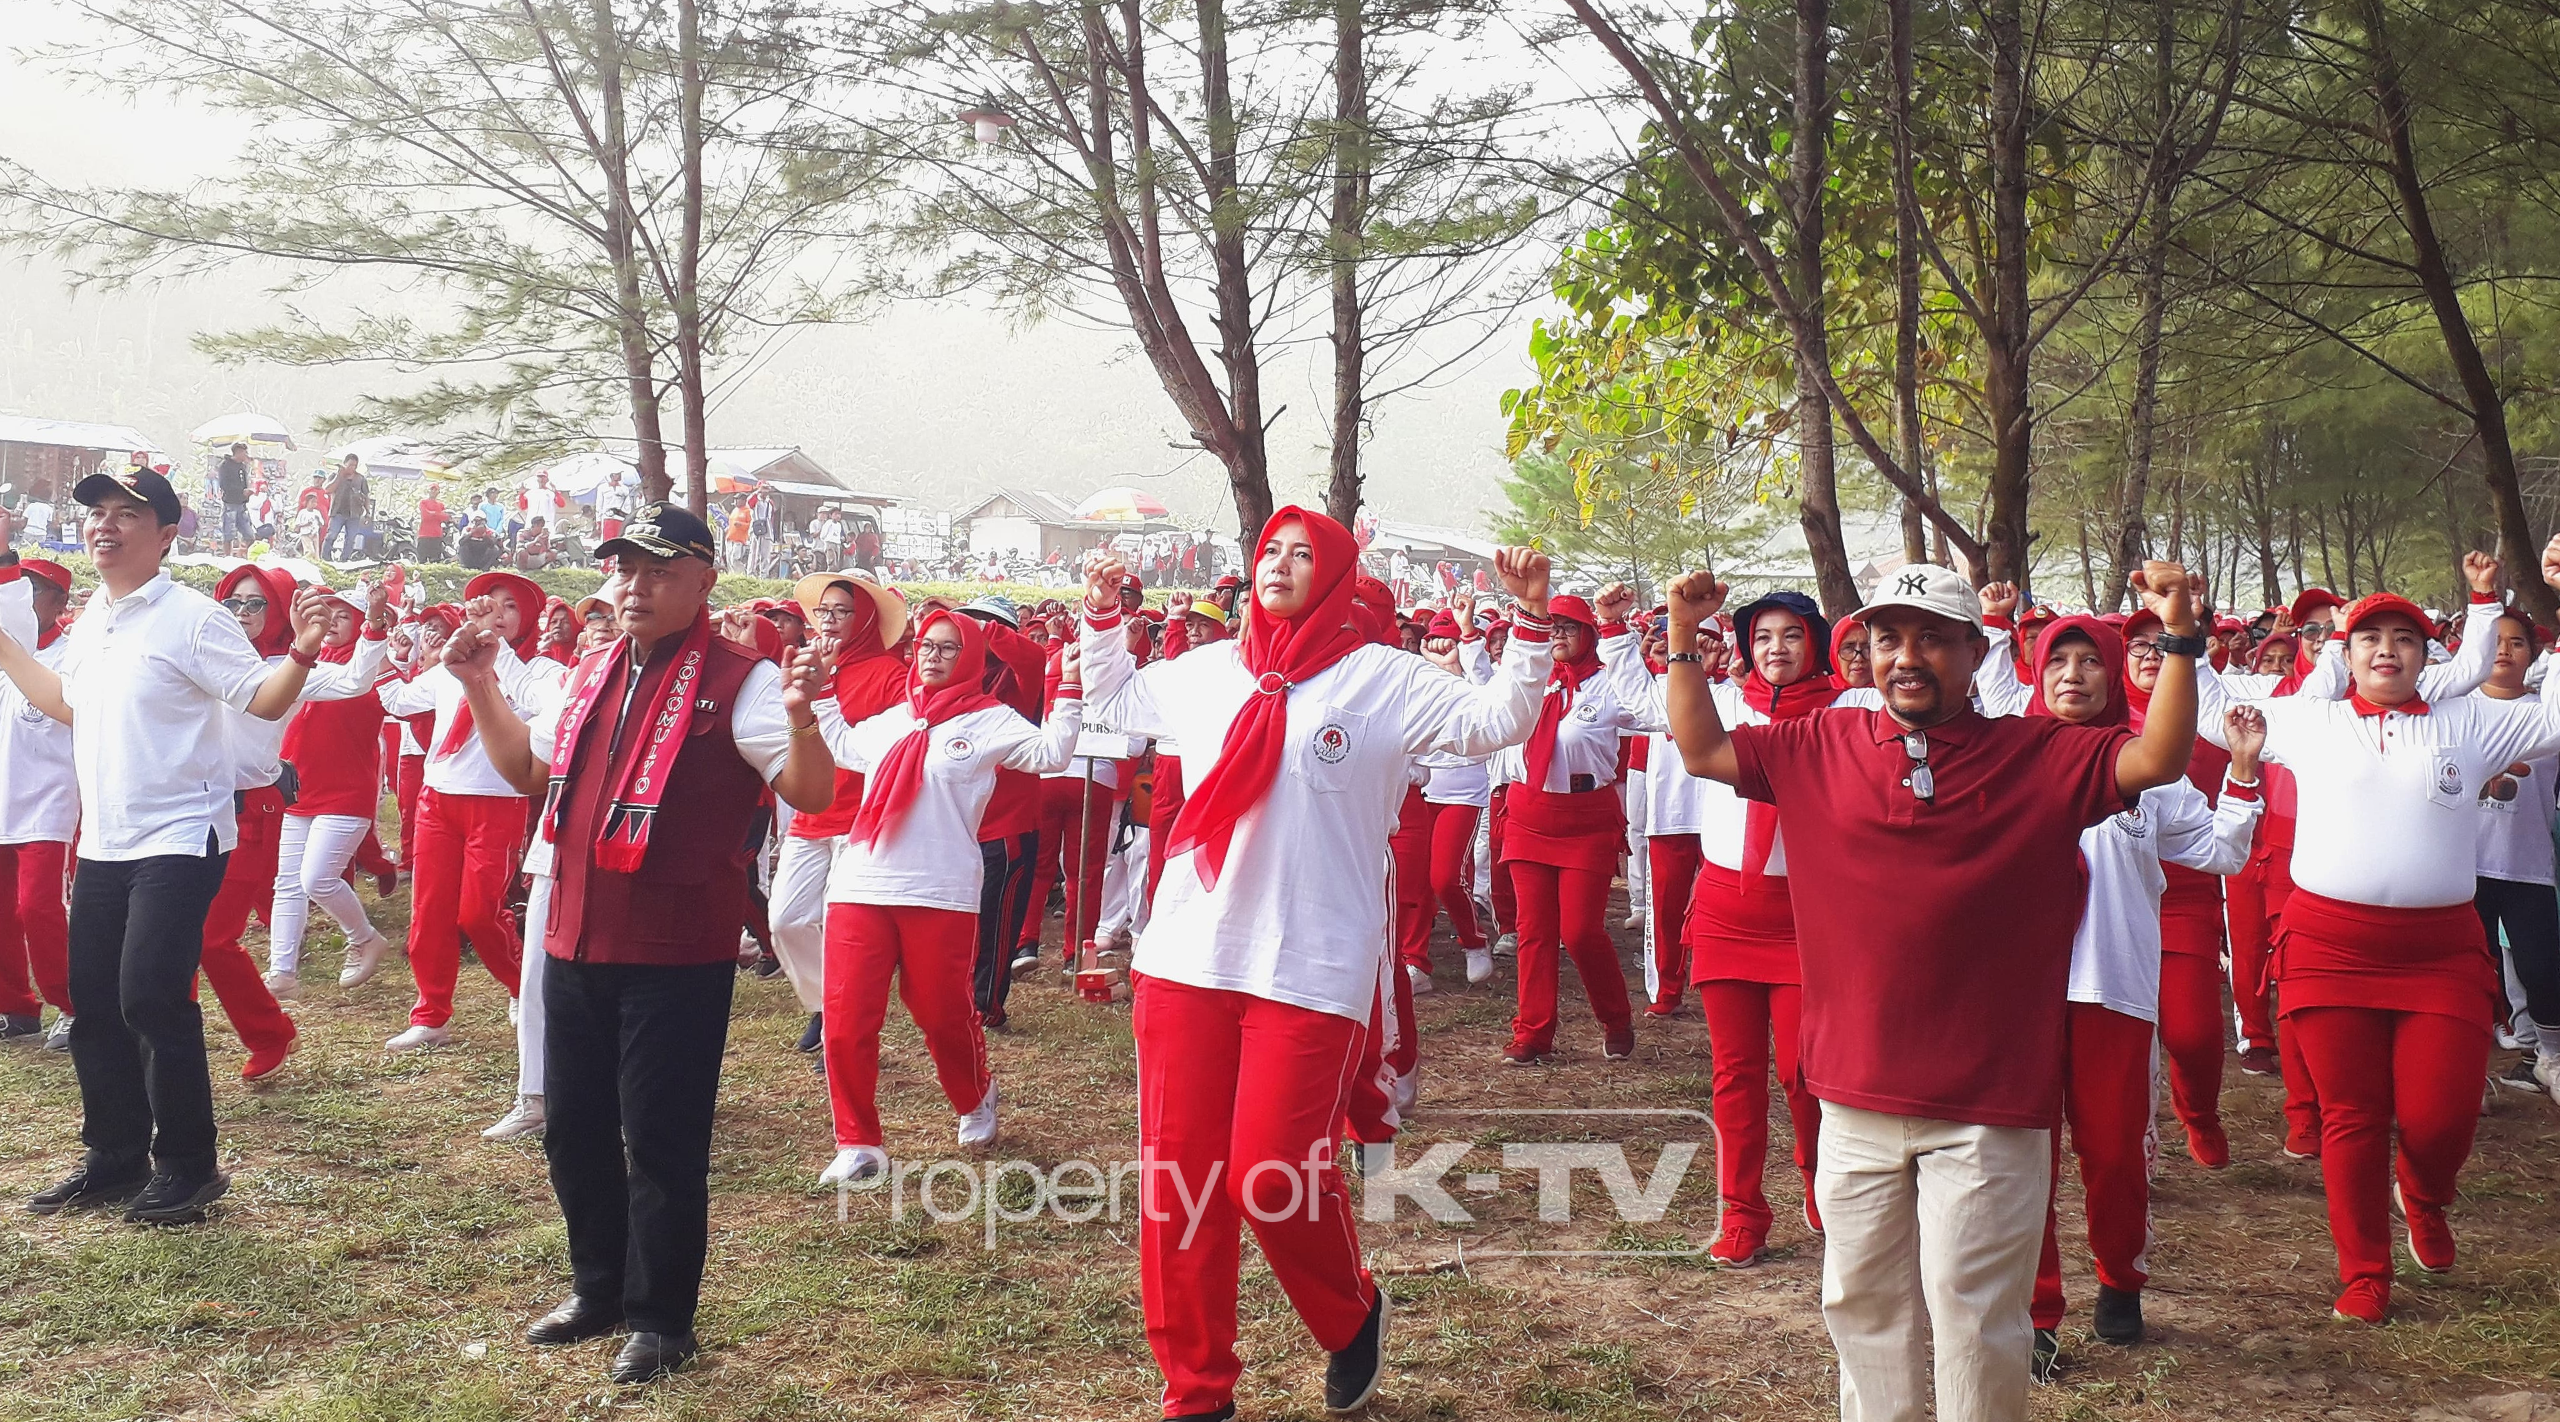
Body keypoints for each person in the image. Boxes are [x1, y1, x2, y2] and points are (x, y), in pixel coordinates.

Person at [1660, 559, 2206, 1422]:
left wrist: (2177, 637)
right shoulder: (1816, 746)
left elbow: (2158, 755)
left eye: (1930, 638)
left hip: (1989, 1105)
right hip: (1851, 1095)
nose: (1905, 656)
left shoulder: (2042, 755)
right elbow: (1702, 750)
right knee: (1862, 1308)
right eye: (1887, 639)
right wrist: (1682, 638)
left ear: (1975, 650)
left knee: (1979, 1321)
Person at [1075, 513, 1555, 1421]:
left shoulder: (1382, 679)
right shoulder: (1207, 672)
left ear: (1334, 575)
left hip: (1310, 963)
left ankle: (1350, 1311)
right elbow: (1112, 704)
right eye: (1269, 552)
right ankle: (1197, 1390)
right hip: (1188, 956)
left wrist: (1528, 627)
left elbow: (1498, 721)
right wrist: (1102, 618)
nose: (1281, 567)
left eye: (1303, 555)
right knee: (1180, 1184)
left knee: (1269, 1174)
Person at [444, 501, 837, 1383]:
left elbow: (810, 793)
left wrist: (807, 715)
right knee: (573, 1128)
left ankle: (663, 1319)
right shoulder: (588, 673)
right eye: (624, 569)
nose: (634, 586)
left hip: (676, 951)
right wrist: (480, 686)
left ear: (704, 582)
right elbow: (531, 774)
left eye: (658, 571)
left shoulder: (744, 680)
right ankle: (600, 1288)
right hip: (576, 935)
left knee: (660, 1141)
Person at [2195, 553, 2560, 1323]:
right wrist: (2177, 630)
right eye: (2371, 638)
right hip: (2330, 947)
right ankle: (2364, 1271)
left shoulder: (2473, 721)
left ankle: (2424, 1194)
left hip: (2439, 955)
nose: (2387, 648)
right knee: (2351, 1117)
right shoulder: (2309, 719)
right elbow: (2209, 712)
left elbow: (2556, 716)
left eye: (2406, 637)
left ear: (2431, 656)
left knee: (2442, 1115)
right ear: (2347, 653)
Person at [0, 466, 334, 1224]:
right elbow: (65, 705)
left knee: (151, 994)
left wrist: (305, 650)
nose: (104, 526)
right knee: (95, 1003)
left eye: (126, 514)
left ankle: (188, 1164)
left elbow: (263, 697)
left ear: (167, 535)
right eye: (97, 514)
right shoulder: (95, 621)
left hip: (182, 834)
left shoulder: (191, 616)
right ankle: (113, 1155)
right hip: (105, 841)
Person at [1972, 612, 2264, 1365]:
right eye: (2057, 660)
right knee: (2019, 1159)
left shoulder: (2146, 766)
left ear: (2111, 673)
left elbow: (2222, 854)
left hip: (2112, 987)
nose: (2073, 674)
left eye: (2089, 661)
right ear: (2036, 673)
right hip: (2016, 997)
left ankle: (2120, 1276)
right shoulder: (2002, 760)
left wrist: (2241, 774)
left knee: (2111, 1154)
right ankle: (2033, 1311)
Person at [806, 609, 1083, 1185]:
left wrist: (1068, 689)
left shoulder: (991, 721)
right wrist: (823, 690)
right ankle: (858, 1141)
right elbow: (842, 746)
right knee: (846, 1020)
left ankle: (976, 1093)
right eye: (927, 645)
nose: (932, 655)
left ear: (973, 658)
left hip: (941, 890)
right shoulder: (892, 721)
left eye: (948, 648)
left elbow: (1051, 755)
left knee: (941, 1014)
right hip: (860, 884)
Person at [372, 570, 550, 1051]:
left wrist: (494, 657)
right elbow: (395, 699)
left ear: (528, 617)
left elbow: (539, 712)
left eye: (510, 605)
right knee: (428, 912)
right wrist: (386, 646)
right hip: (438, 799)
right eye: (487, 602)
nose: (496, 613)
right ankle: (431, 1013)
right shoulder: (450, 666)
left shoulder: (541, 673)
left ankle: (524, 989)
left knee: (478, 913)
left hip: (498, 804)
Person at [1493, 585, 1646, 1065]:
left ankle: (1616, 1019)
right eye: (1552, 625)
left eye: (1569, 626)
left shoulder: (1607, 685)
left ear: (1588, 633)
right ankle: (1533, 1032)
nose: (1558, 634)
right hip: (1528, 813)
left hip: (1585, 819)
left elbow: (1650, 708)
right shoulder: (1528, 678)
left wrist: (1621, 637)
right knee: (1534, 930)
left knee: (1580, 931)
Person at [766, 572, 909, 1057]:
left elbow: (888, 749)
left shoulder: (890, 674)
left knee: (840, 924)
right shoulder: (803, 664)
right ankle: (825, 1003)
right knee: (785, 918)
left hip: (860, 817)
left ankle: (841, 1023)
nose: (828, 621)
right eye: (823, 611)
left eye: (841, 611)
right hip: (812, 813)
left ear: (865, 617)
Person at [262, 586, 399, 1001]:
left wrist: (376, 624)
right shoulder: (306, 664)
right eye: (329, 612)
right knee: (286, 882)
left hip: (347, 790)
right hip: (301, 787)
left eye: (345, 614)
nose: (334, 620)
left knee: (317, 878)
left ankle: (364, 937)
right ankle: (281, 970)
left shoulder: (377, 665)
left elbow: (362, 675)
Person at [2470, 608, 2560, 1100]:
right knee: (2472, 970)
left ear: (2533, 655)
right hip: (2464, 867)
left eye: (2517, 643)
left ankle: (2549, 1057)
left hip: (2527, 865)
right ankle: (2468, 1066)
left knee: (2542, 964)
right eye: (2495, 641)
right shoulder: (2455, 708)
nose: (2504, 650)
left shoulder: (2547, 712)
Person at [0, 555, 75, 1046]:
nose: (23, 597)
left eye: (35, 587)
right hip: (4, 795)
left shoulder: (74, 655)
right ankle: (15, 1008)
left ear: (58, 601)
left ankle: (74, 1004)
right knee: (4, 910)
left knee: (38, 907)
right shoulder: (6, 650)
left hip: (50, 799)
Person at [324, 455, 369, 562]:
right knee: (332, 535)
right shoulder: (335, 476)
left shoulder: (360, 479)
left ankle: (344, 559)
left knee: (351, 538)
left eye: (355, 466)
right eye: (350, 465)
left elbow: (366, 496)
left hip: (354, 513)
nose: (352, 468)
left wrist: (368, 512)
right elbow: (327, 489)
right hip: (337, 511)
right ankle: (326, 557)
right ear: (345, 464)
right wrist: (339, 475)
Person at [216, 443, 254, 553]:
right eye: (244, 452)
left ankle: (241, 553)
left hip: (242, 505)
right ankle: (228, 556)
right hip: (230, 503)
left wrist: (247, 491)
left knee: (249, 535)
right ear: (238, 452)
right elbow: (224, 485)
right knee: (229, 534)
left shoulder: (243, 467)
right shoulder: (225, 466)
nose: (246, 455)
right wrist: (241, 491)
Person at [595, 469, 634, 544]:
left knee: (619, 540)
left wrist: (627, 518)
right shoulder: (602, 488)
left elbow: (627, 505)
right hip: (607, 517)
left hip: (620, 518)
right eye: (617, 474)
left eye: (619, 474)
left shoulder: (624, 488)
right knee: (608, 541)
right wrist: (598, 521)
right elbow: (599, 505)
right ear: (611, 475)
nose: (619, 476)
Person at [415, 483, 450, 562]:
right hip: (424, 535)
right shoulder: (423, 502)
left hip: (437, 535)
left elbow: (445, 517)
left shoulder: (441, 505)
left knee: (435, 560)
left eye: (435, 490)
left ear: (438, 492)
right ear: (428, 491)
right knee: (421, 560)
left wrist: (433, 513)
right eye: (432, 489)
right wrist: (438, 514)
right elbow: (425, 515)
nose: (433, 491)